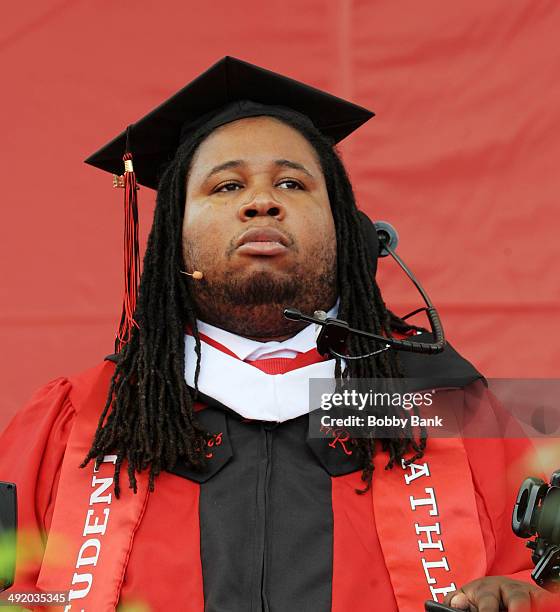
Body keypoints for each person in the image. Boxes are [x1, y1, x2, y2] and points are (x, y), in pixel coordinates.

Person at [0, 56, 556, 612]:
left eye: (292, 182)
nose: (261, 200)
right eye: (225, 186)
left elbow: (541, 581)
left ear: (344, 226)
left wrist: (525, 599)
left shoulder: (447, 410)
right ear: (173, 236)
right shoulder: (78, 421)